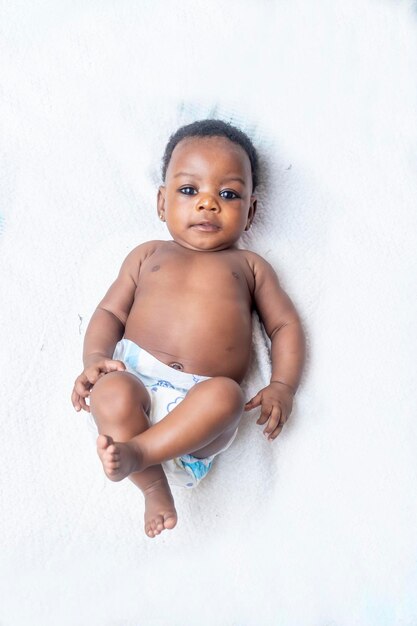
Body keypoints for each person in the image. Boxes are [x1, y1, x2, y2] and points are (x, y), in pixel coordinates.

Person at [71, 119, 305, 538]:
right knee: (111, 390)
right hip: (136, 383)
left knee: (227, 395)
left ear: (250, 211)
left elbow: (285, 325)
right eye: (188, 190)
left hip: (198, 411)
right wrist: (94, 361)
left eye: (228, 194)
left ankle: (141, 453)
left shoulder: (250, 268)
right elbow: (109, 313)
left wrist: (283, 385)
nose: (207, 203)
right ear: (161, 203)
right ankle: (154, 487)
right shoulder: (147, 256)